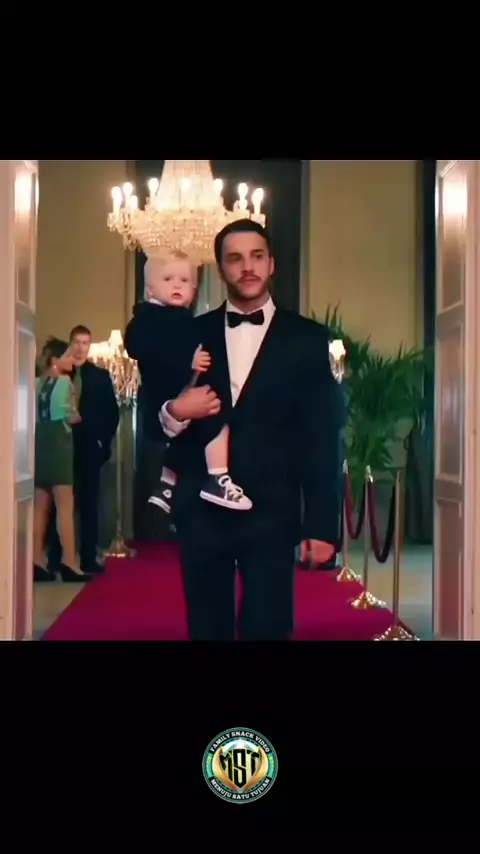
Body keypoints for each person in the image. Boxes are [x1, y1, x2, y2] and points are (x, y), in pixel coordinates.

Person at [159, 220, 341, 641]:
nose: (247, 267)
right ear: (221, 268)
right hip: (202, 510)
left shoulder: (308, 338)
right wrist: (175, 410)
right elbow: (158, 415)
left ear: (271, 263)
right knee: (207, 629)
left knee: (269, 627)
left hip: (272, 510)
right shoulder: (190, 334)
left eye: (257, 256)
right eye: (235, 259)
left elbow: (321, 436)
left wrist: (321, 525)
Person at [124, 252, 252, 514]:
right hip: (164, 390)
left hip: (185, 387)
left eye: (185, 281)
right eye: (168, 279)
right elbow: (139, 346)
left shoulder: (185, 319)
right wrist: (188, 359)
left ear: (194, 290)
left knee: (204, 424)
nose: (177, 285)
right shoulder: (149, 316)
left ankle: (168, 483)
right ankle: (216, 477)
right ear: (150, 288)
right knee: (215, 417)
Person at [47, 325, 119, 575]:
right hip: (60, 446)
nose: (80, 348)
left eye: (85, 343)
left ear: (89, 346)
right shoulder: (58, 372)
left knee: (89, 504)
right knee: (57, 505)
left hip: (89, 447)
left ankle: (88, 557)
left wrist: (101, 443)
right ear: (70, 344)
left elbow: (112, 413)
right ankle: (55, 558)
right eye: (76, 342)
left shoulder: (99, 376)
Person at [34, 338, 91, 583]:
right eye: (68, 356)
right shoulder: (66, 382)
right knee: (65, 506)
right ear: (56, 360)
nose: (72, 360)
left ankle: (36, 559)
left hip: (39, 441)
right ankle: (70, 562)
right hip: (59, 442)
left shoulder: (37, 383)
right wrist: (77, 414)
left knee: (40, 506)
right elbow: (71, 415)